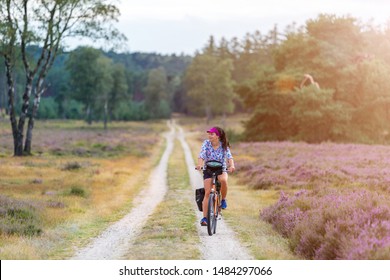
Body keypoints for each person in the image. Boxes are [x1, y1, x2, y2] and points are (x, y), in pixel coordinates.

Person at [195, 126, 235, 226]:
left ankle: (223, 200)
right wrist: (200, 164)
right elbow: (202, 155)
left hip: (221, 169)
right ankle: (205, 218)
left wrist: (232, 166)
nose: (209, 136)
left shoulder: (223, 145)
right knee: (207, 192)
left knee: (224, 181)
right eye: (209, 134)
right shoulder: (206, 143)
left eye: (212, 134)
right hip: (208, 169)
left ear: (217, 136)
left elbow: (229, 157)